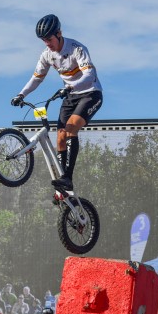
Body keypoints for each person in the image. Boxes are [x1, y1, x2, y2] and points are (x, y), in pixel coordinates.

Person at [11, 14, 103, 191]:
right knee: (60, 136)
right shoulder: (46, 55)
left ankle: (68, 178)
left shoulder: (77, 49)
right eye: (43, 40)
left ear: (59, 33)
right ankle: (62, 181)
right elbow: (36, 78)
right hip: (70, 95)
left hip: (90, 93)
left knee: (71, 127)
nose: (47, 43)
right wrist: (21, 95)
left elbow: (89, 76)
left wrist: (70, 86)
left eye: (49, 39)